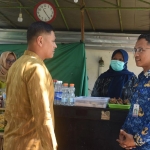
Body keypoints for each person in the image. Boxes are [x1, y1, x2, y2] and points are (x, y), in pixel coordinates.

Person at [3, 21, 57, 150]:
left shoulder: (16, 65)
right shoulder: (36, 68)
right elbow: (43, 115)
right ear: (40, 40)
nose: (55, 45)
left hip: (11, 142)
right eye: (53, 41)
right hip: (30, 145)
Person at [117, 34, 150, 150]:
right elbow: (135, 110)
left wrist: (136, 140)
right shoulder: (140, 79)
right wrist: (124, 132)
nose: (136, 54)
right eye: (135, 50)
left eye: (140, 50)